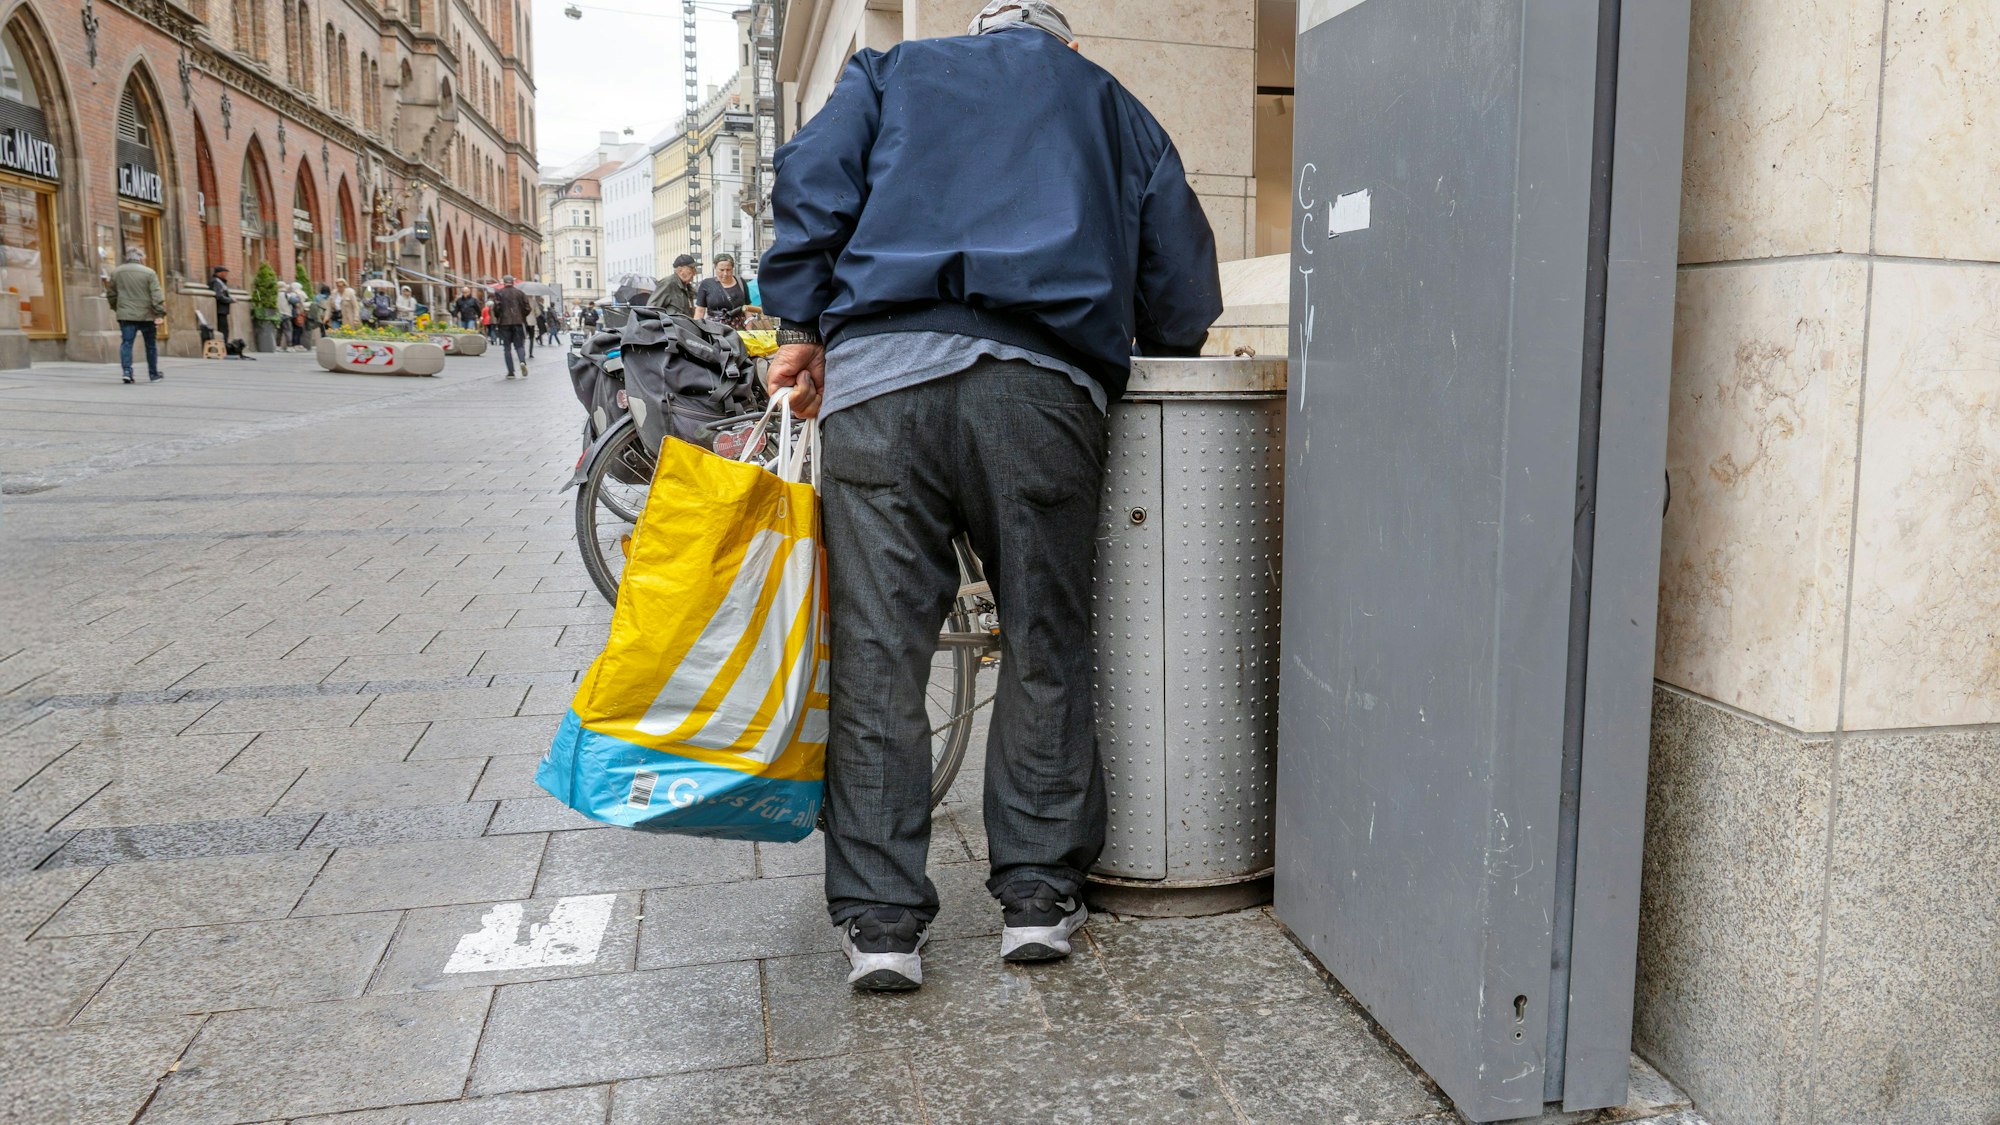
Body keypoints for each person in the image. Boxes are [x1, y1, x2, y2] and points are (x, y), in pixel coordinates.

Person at [760, 0, 1220, 992]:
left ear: (977, 33)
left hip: (880, 384)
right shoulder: (1110, 103)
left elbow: (809, 178)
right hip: (1042, 389)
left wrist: (801, 317)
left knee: (881, 652)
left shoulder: (889, 73)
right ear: (1066, 45)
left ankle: (881, 926)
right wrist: (1156, 348)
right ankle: (1035, 903)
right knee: (1043, 639)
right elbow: (1179, 271)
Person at [106, 246, 166, 383]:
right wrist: (159, 313)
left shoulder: (117, 272)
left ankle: (127, 371)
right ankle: (153, 373)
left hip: (126, 315)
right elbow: (156, 295)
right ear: (141, 257)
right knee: (150, 345)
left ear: (127, 257)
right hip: (147, 315)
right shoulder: (149, 272)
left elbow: (111, 294)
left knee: (126, 343)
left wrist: (117, 308)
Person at [694, 253, 756, 328]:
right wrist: (697, 330)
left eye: (728, 270)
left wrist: (749, 327)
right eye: (721, 270)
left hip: (739, 327)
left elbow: (747, 307)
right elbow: (700, 311)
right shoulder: (706, 284)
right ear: (715, 268)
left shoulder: (741, 282)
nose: (725, 273)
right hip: (715, 328)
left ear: (733, 268)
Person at [489, 274, 533, 378]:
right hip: (518, 322)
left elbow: (496, 309)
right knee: (519, 346)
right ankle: (522, 361)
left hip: (504, 323)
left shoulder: (499, 293)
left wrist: (498, 315)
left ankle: (511, 372)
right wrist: (521, 316)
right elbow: (528, 308)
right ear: (513, 282)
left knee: (507, 348)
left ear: (504, 282)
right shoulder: (520, 293)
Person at [208, 266, 234, 344]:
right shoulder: (217, 282)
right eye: (224, 272)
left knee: (224, 329)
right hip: (220, 310)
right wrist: (230, 300)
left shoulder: (220, 281)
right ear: (219, 273)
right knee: (223, 330)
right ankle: (223, 346)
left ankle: (224, 346)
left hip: (222, 310)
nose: (226, 274)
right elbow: (219, 296)